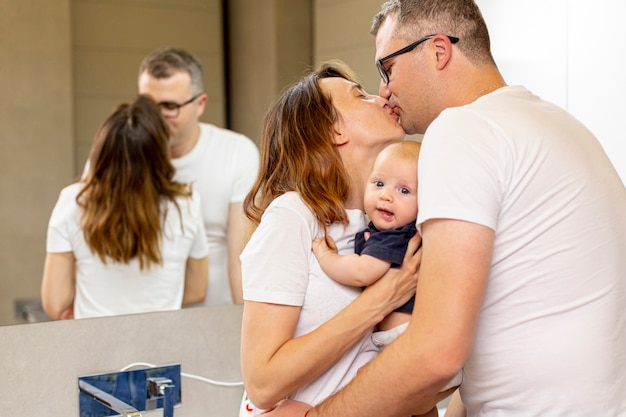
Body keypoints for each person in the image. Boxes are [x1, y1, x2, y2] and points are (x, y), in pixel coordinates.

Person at [262, 0, 626, 416]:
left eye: (387, 69)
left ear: (438, 51)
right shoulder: (558, 124)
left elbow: (436, 352)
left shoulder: (462, 131)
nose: (384, 91)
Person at [239, 61, 423, 416]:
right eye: (361, 95)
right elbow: (262, 385)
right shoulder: (293, 216)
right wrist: (381, 299)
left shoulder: (390, 224)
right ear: (334, 130)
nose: (382, 96)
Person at [41, 95, 209, 319]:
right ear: (160, 155)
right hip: (162, 348)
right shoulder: (186, 203)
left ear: (101, 153)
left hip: (94, 346)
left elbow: (55, 303)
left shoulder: (73, 201)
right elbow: (197, 290)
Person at [138, 46, 260, 305]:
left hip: (213, 317)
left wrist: (243, 328)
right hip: (142, 317)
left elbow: (240, 259)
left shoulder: (236, 152)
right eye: (147, 106)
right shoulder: (117, 156)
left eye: (169, 106)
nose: (156, 119)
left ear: (200, 104)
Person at [312, 141, 421, 344]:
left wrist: (326, 256)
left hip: (405, 337)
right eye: (379, 183)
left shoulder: (398, 236)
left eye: (404, 191)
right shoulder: (382, 231)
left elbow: (361, 272)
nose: (386, 195)